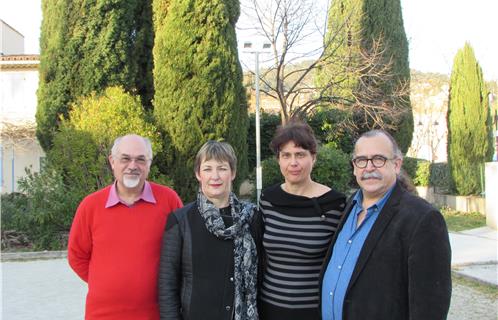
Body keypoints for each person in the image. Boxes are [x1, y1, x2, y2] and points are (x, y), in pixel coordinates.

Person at [320, 129, 452, 320]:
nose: (369, 167)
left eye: (378, 159)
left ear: (397, 164)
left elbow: (430, 306)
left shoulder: (423, 218)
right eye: (362, 160)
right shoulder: (349, 207)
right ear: (355, 167)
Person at [68, 134, 183, 320]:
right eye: (125, 159)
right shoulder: (90, 206)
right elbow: (77, 256)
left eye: (140, 159)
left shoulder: (169, 201)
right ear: (113, 162)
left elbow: (183, 254)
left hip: (155, 314)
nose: (133, 166)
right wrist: (105, 283)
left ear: (149, 164)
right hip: (103, 315)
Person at [158, 140, 261, 320]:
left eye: (222, 168)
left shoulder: (251, 217)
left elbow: (262, 275)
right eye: (207, 169)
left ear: (233, 173)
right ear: (198, 174)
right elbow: (167, 285)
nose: (215, 176)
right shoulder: (180, 221)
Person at [258, 121, 346, 320]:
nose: (293, 163)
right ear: (279, 160)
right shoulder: (268, 199)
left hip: (314, 311)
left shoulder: (336, 204)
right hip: (269, 308)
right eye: (286, 155)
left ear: (313, 158)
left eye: (300, 154)